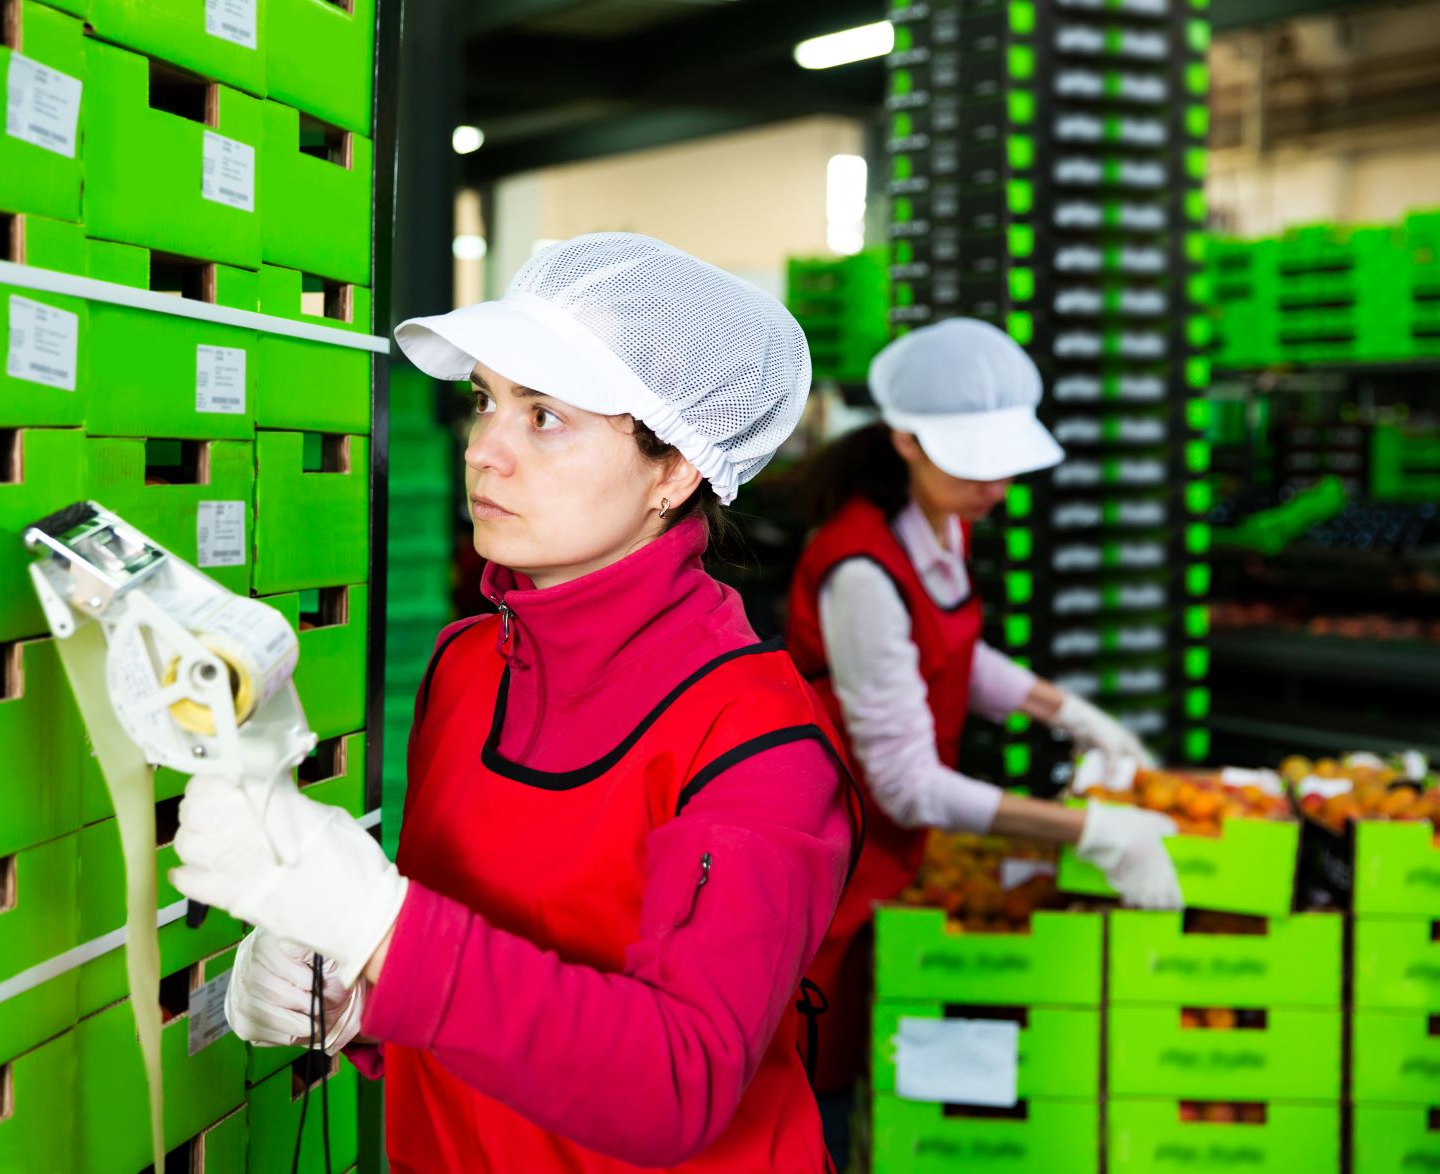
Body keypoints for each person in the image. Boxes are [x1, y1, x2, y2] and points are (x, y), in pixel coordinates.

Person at [171, 233, 863, 1171]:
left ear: (676, 472)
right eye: (485, 402)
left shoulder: (755, 746)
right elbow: (472, 979)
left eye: (545, 417)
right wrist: (355, 993)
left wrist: (382, 925)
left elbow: (678, 1083)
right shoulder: (468, 667)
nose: (485, 452)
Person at [784, 317, 1182, 1097]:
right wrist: (1090, 831)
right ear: (904, 440)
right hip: (837, 851)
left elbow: (947, 647)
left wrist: (1067, 711)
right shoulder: (859, 570)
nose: (996, 488)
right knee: (820, 1073)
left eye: (1006, 464)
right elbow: (905, 783)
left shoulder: (939, 522)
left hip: (897, 849)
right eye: (976, 465)